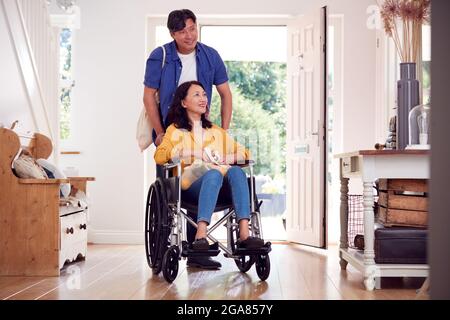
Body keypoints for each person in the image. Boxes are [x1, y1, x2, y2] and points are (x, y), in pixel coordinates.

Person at [143, 9, 232, 269]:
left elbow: (226, 94)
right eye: (182, 31)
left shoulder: (210, 56)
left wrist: (222, 133)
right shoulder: (160, 56)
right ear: (172, 34)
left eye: (192, 28)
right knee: (170, 194)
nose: (189, 35)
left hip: (200, 130)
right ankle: (163, 250)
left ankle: (197, 251)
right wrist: (160, 133)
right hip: (171, 132)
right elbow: (149, 97)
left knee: (200, 178)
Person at [154, 81, 264, 256]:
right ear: (184, 103)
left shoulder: (216, 131)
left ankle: (244, 235)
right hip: (191, 187)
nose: (203, 98)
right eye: (197, 94)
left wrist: (227, 158)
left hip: (223, 188)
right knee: (213, 173)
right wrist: (193, 152)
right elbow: (160, 156)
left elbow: (246, 154)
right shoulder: (174, 130)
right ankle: (201, 235)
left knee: (236, 171)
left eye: (204, 94)